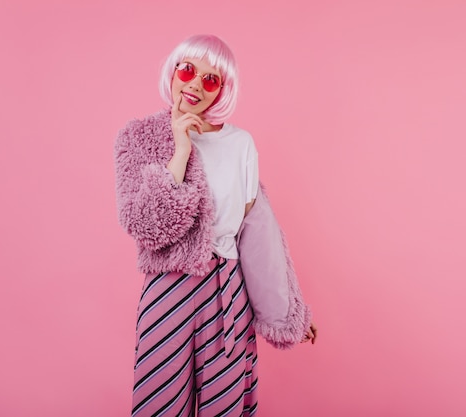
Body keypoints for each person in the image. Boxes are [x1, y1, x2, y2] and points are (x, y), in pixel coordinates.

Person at [115, 34, 316, 417]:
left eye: (211, 79)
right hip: (168, 290)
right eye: (188, 70)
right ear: (173, 71)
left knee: (225, 401)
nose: (195, 84)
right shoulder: (138, 138)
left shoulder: (241, 144)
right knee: (161, 401)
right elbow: (147, 227)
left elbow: (258, 236)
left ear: (222, 90)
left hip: (228, 294)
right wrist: (181, 148)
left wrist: (289, 312)